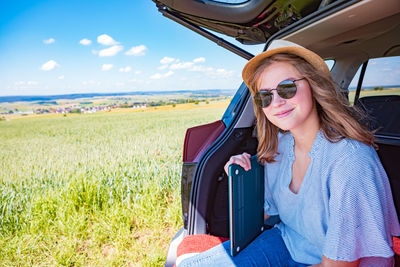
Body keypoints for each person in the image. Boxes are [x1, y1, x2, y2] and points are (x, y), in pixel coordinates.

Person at [179, 40, 400, 266]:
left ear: (314, 86)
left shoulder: (350, 162)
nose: (276, 102)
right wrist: (239, 179)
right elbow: (265, 216)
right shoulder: (280, 147)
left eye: (287, 88)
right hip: (290, 242)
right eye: (264, 96)